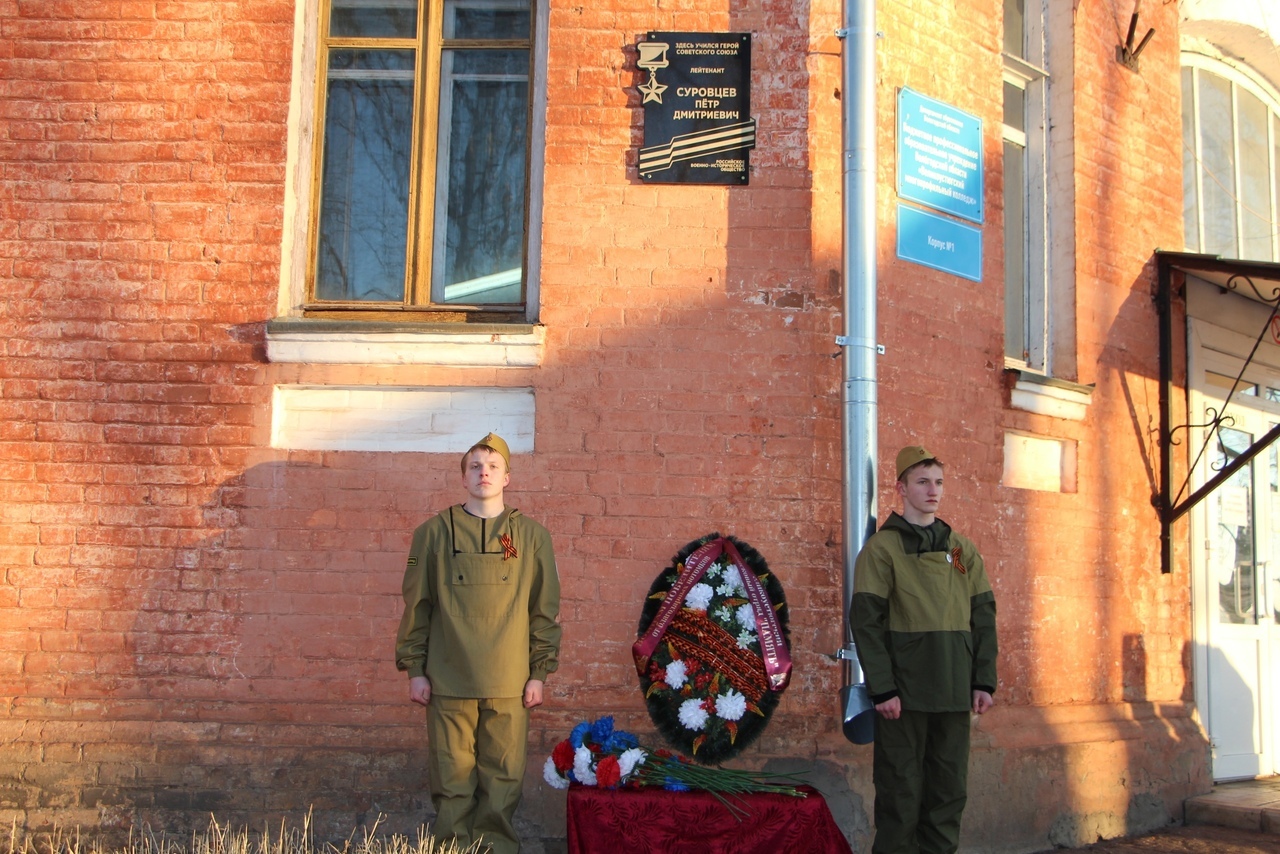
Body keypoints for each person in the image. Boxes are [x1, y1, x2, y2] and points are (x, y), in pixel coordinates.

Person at [395, 433, 561, 854]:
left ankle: (496, 849)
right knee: (451, 776)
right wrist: (415, 669)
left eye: (492, 466)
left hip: (510, 680)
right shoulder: (432, 533)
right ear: (463, 477)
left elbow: (543, 609)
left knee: (503, 778)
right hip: (448, 677)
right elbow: (417, 605)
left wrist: (538, 673)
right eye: (474, 466)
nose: (483, 473)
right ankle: (452, 848)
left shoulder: (531, 537)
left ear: (507, 477)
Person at [851, 445, 998, 854]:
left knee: (947, 794)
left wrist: (983, 680)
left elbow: (983, 616)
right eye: (922, 482)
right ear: (901, 488)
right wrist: (882, 688)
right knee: (900, 794)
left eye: (938, 482)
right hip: (903, 696)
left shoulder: (960, 550)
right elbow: (866, 623)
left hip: (954, 690)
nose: (933, 491)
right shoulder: (882, 550)